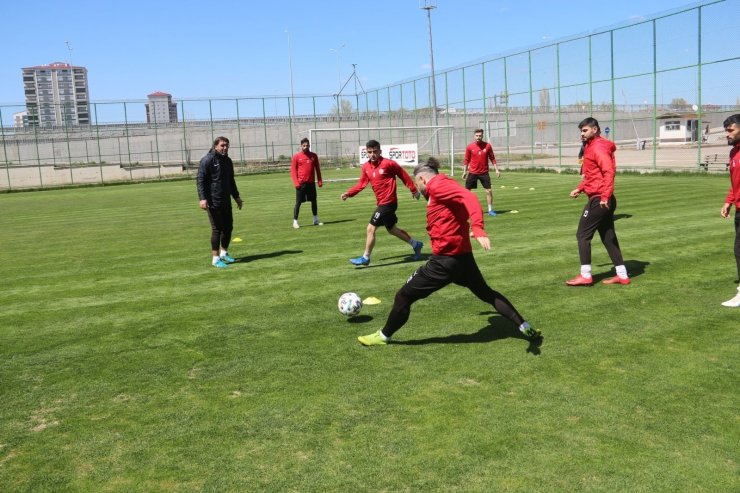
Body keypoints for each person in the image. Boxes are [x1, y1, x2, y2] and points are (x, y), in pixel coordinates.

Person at [358, 157, 539, 346]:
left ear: (422, 180)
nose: (418, 189)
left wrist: (477, 227)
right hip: (464, 258)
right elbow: (461, 202)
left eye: (417, 184)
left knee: (403, 296)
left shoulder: (437, 186)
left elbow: (469, 197)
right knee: (487, 294)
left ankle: (384, 336)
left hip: (444, 262)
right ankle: (525, 326)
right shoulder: (446, 182)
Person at [566, 117, 630, 286]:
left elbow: (609, 172)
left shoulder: (599, 147)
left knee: (582, 235)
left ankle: (586, 275)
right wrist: (580, 188)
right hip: (602, 197)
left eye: (584, 130)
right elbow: (593, 175)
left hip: (601, 199)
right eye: (581, 131)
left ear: (595, 129)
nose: (582, 134)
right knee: (608, 238)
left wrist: (604, 196)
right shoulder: (591, 146)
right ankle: (622, 275)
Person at [341, 139, 423, 266]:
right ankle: (416, 244)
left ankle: (365, 257)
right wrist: (349, 193)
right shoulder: (366, 167)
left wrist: (413, 190)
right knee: (392, 229)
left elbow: (403, 174)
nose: (372, 154)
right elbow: (361, 184)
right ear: (366, 153)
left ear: (380, 151)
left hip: (389, 202)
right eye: (369, 152)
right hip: (381, 203)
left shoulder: (388, 164)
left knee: (370, 228)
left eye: (375, 151)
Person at [196, 136, 243, 268]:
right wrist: (202, 198)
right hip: (213, 201)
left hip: (225, 200)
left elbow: (231, 181)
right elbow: (200, 180)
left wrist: (237, 197)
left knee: (228, 228)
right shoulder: (207, 160)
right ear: (215, 146)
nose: (225, 148)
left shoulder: (228, 161)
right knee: (217, 229)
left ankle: (224, 253)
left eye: (227, 145)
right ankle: (215, 259)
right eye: (222, 145)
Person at [720, 114, 740, 307]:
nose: (727, 134)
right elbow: (736, 183)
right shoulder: (734, 152)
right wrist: (729, 201)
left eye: (731, 130)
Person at [463, 129, 500, 216]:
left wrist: (496, 169)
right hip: (473, 172)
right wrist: (464, 171)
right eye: (477, 135)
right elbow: (466, 160)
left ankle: (490, 210)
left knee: (489, 191)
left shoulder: (487, 146)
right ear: (474, 136)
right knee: (467, 192)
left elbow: (492, 158)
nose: (478, 137)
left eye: (480, 136)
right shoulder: (469, 147)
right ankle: (466, 210)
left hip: (484, 173)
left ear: (482, 136)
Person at [291, 137, 323, 229]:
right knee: (298, 202)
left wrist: (320, 180)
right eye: (304, 145)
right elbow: (293, 171)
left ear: (309, 145)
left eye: (307, 145)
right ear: (301, 146)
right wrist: (296, 183)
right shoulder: (297, 156)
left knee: (314, 201)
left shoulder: (314, 156)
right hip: (301, 184)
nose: (305, 147)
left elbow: (317, 169)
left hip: (311, 183)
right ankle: (295, 221)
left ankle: (315, 219)